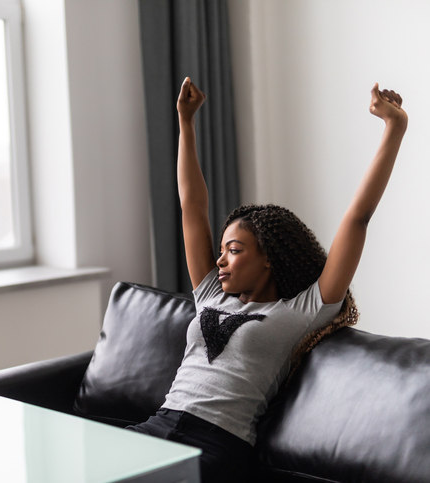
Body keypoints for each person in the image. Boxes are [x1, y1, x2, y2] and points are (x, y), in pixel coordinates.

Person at [126, 77, 408, 482]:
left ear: (269, 261)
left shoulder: (301, 311)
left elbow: (357, 218)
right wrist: (185, 123)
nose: (219, 261)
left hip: (216, 444)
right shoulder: (210, 294)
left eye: (235, 251)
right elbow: (192, 205)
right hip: (157, 427)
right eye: (221, 250)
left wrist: (393, 129)